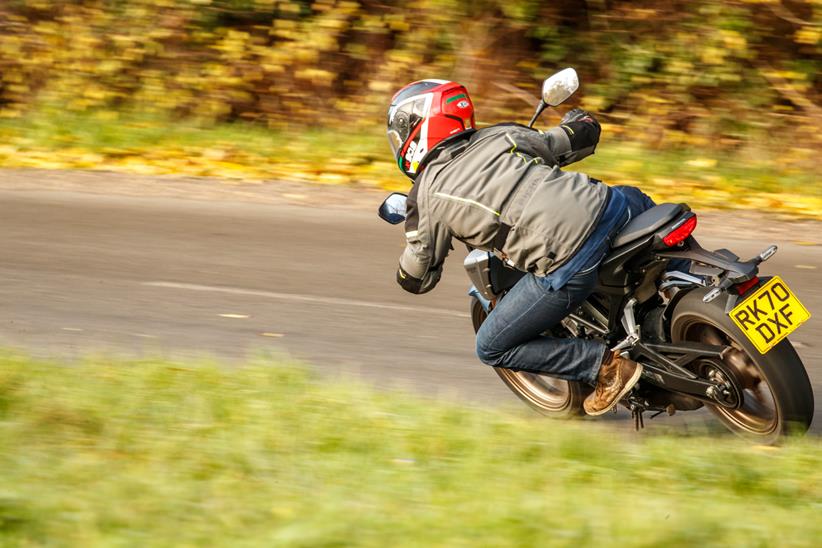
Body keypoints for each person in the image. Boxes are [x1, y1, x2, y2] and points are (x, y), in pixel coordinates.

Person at [386, 79, 649, 416]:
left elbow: (417, 277)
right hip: (611, 206)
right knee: (637, 199)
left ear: (415, 130)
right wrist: (580, 120)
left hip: (568, 255)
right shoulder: (502, 135)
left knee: (491, 346)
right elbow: (575, 139)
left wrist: (403, 269)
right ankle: (687, 283)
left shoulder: (425, 194)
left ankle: (606, 368)